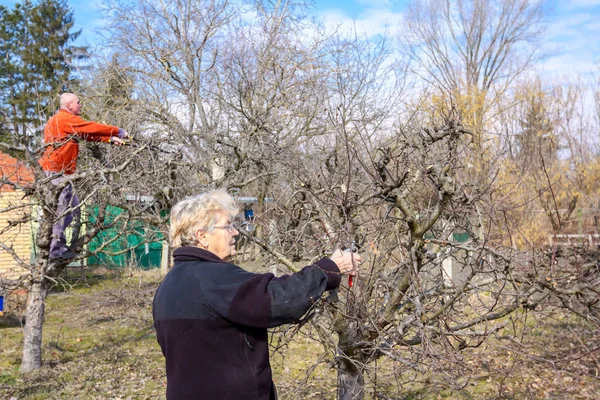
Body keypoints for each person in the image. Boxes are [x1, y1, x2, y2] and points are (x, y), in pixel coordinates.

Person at [153, 189, 362, 400]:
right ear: (202, 236)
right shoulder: (214, 278)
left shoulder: (166, 287)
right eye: (227, 226)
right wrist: (329, 269)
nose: (235, 232)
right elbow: (277, 299)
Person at [38, 93, 129, 259]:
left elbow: (86, 134)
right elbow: (90, 127)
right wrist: (117, 130)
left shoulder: (64, 122)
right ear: (69, 105)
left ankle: (59, 247)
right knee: (64, 210)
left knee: (73, 208)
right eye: (78, 103)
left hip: (62, 172)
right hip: (57, 171)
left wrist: (110, 139)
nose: (81, 105)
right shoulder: (65, 119)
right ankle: (56, 250)